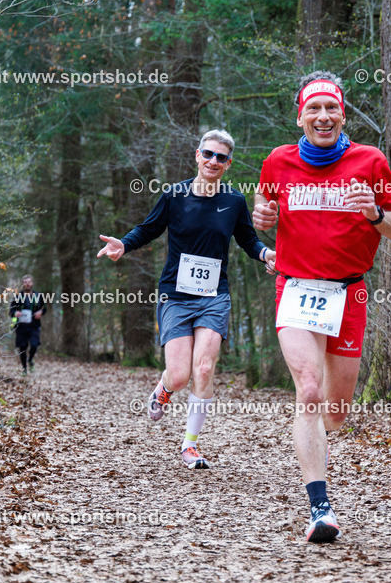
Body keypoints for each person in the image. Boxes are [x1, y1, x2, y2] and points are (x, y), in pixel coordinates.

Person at [253, 71, 391, 542]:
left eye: (331, 109)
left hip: (349, 292)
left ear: (343, 113)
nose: (323, 117)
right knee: (309, 389)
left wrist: (374, 214)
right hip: (296, 287)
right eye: (313, 109)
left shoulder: (370, 161)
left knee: (336, 410)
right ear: (300, 115)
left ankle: (315, 440)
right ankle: (320, 508)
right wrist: (262, 214)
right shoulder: (278, 161)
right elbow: (265, 202)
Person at [97, 129, 275, 469]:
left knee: (204, 368)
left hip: (214, 297)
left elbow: (248, 240)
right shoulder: (174, 195)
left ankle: (190, 446)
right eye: (208, 154)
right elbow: (148, 229)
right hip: (176, 296)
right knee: (179, 375)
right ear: (197, 155)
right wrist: (123, 244)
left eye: (221, 157)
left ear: (228, 164)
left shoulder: (234, 201)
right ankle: (163, 390)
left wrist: (266, 253)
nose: (213, 161)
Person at [10, 274, 47, 375]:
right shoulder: (18, 296)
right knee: (22, 347)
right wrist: (15, 313)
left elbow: (44, 308)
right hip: (21, 326)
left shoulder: (38, 296)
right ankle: (24, 369)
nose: (27, 284)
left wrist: (40, 313)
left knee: (34, 345)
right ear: (23, 284)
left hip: (34, 325)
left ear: (32, 283)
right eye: (25, 282)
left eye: (29, 282)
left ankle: (30, 360)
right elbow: (11, 310)